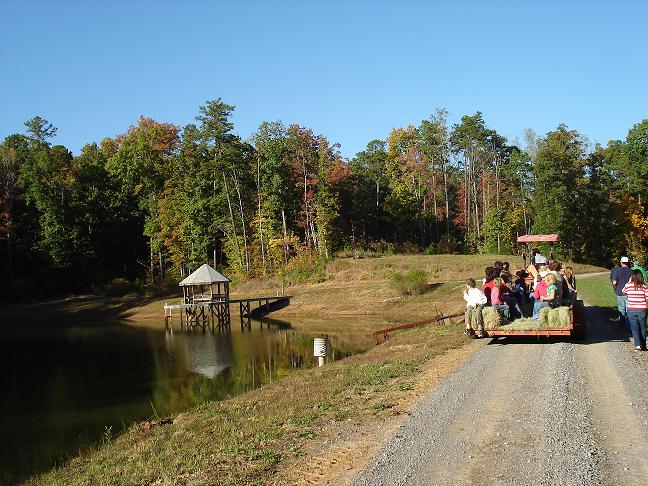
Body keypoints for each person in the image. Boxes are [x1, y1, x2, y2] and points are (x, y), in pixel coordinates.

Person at [621, 270, 648, 351]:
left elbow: (623, 292)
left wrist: (629, 282)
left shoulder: (628, 285)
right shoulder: (645, 286)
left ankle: (637, 345)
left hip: (631, 309)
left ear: (632, 276)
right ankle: (643, 345)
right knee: (643, 327)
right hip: (642, 309)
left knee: (634, 327)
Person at [611, 256, 633, 330]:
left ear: (621, 263)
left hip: (620, 292)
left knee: (621, 309)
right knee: (628, 309)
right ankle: (628, 326)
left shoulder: (617, 271)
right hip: (629, 293)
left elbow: (614, 282)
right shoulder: (631, 271)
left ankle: (622, 325)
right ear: (628, 263)